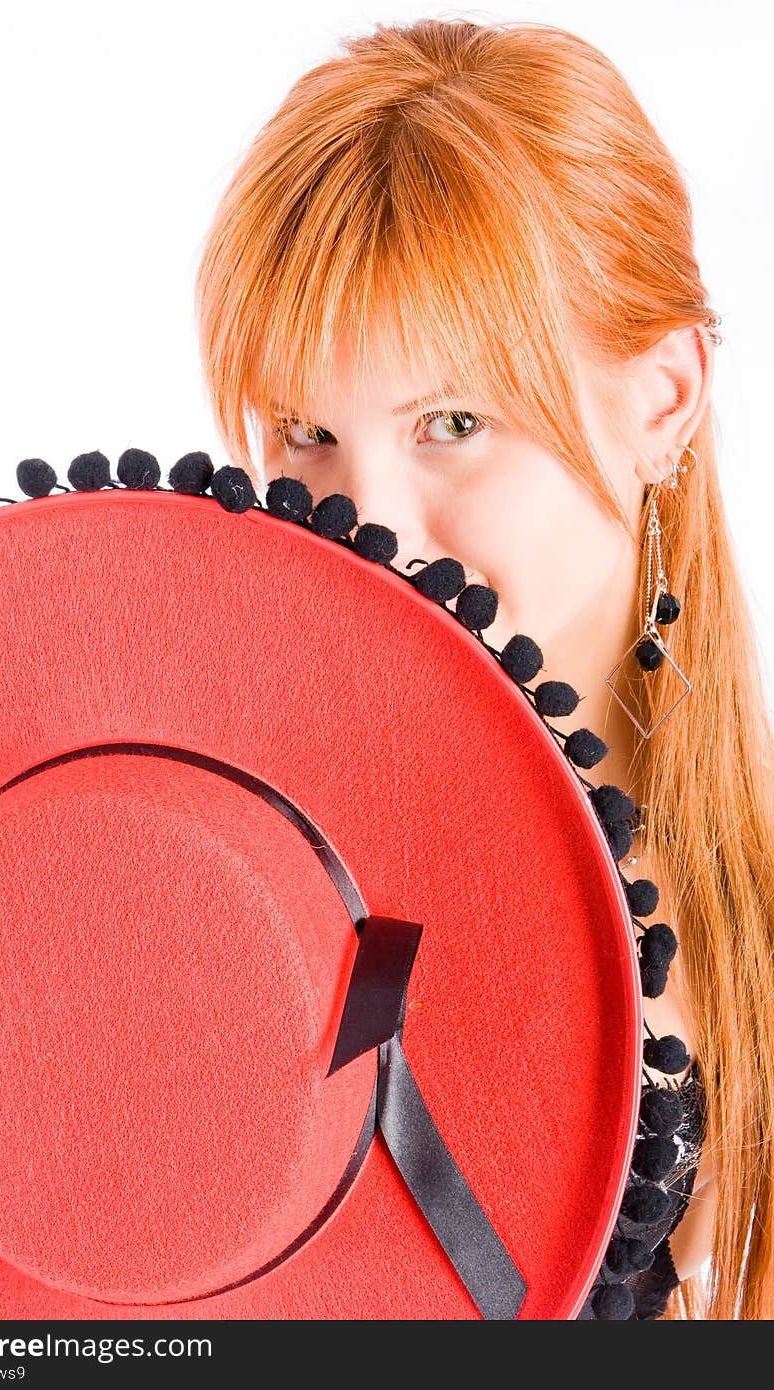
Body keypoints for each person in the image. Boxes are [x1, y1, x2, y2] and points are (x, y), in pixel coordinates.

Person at [193, 16, 774, 1318]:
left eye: (453, 423)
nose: (372, 525)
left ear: (663, 400)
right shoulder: (210, 882)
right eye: (309, 433)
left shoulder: (748, 935)